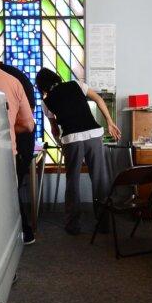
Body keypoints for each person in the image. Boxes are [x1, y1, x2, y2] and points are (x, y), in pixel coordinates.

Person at [34, 67, 121, 235]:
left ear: (42, 87)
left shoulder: (46, 102)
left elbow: (55, 129)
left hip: (71, 140)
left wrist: (60, 142)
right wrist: (109, 122)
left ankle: (73, 225)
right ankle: (104, 224)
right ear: (56, 77)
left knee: (72, 181)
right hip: (93, 134)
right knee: (99, 179)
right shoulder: (77, 84)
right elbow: (98, 100)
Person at [0, 44, 38, 245]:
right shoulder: (14, 76)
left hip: (19, 142)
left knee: (10, 190)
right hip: (17, 141)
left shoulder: (9, 78)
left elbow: (27, 121)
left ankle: (23, 232)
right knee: (11, 189)